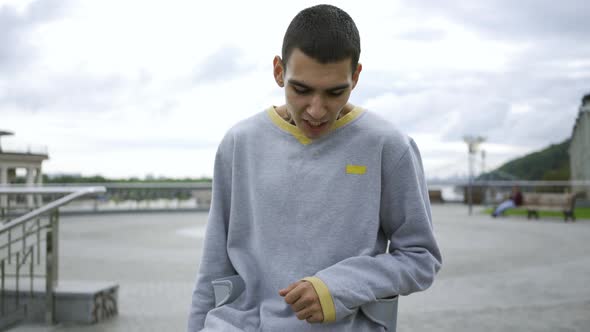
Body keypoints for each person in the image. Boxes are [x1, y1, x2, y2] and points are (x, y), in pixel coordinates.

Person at [187, 5, 442, 331]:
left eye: (335, 92)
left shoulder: (389, 147)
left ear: (356, 76)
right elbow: (214, 267)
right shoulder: (239, 143)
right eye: (301, 90)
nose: (317, 110)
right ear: (279, 71)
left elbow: (421, 258)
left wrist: (337, 287)